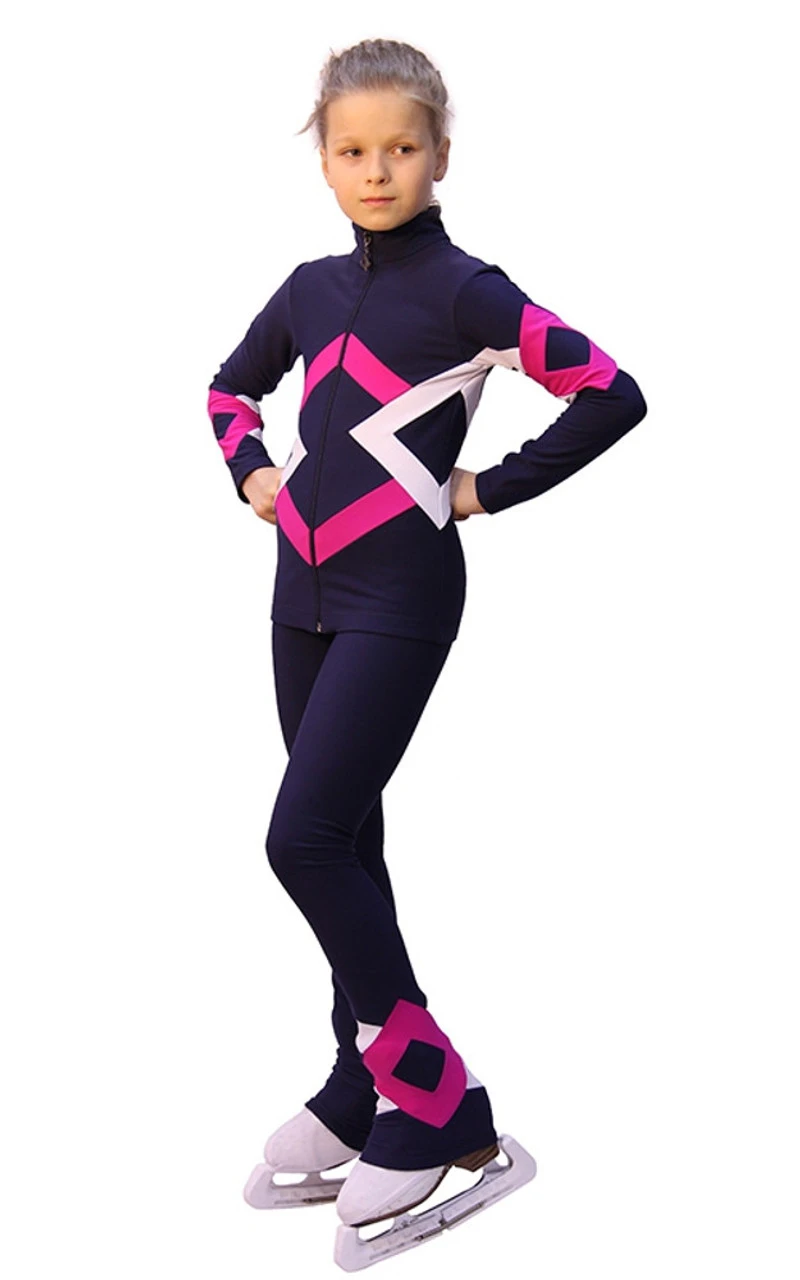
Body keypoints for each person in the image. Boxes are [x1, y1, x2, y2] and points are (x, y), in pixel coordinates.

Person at [206, 36, 647, 1271]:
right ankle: (360, 1082)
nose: (376, 169)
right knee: (347, 841)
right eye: (352, 149)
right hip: (299, 595)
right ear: (323, 161)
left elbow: (611, 392)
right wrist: (250, 471)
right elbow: (228, 390)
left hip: (399, 597)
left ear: (439, 155)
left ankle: (440, 1100)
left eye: (400, 147)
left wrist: (485, 487)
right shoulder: (305, 289)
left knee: (299, 838)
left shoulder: (466, 292)